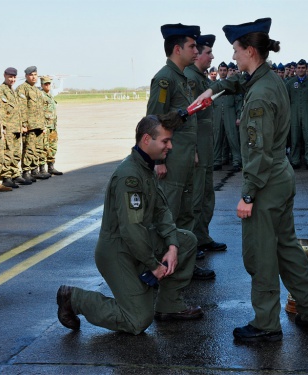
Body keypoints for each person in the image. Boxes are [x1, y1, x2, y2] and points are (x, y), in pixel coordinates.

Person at [193, 17, 308, 342]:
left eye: (237, 50)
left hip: (265, 182)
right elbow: (241, 81)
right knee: (286, 248)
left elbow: (258, 151)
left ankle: (266, 324)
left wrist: (248, 195)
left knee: (261, 255)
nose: (234, 57)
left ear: (250, 50)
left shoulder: (260, 97)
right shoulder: (266, 81)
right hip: (280, 176)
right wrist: (216, 89)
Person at [56, 112, 203, 334]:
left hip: (138, 243)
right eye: (165, 141)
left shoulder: (146, 167)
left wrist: (172, 246)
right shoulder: (129, 177)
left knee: (186, 241)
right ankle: (74, 299)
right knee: (137, 320)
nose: (170, 146)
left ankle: (169, 305)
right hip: (118, 251)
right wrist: (154, 266)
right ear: (146, 140)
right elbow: (131, 230)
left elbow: (162, 210)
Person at [146, 23, 214, 280]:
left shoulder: (183, 78)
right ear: (177, 49)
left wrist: (193, 151)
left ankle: (184, 265)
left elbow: (187, 122)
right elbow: (154, 121)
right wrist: (157, 161)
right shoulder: (165, 78)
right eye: (192, 46)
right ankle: (159, 266)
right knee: (168, 214)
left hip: (184, 158)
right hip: (170, 159)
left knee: (186, 212)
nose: (196, 51)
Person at [184, 35, 227, 255]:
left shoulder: (201, 79)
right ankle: (191, 242)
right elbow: (189, 117)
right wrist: (193, 149)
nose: (212, 56)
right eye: (208, 53)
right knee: (195, 196)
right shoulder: (190, 79)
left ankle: (202, 236)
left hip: (206, 145)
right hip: (197, 146)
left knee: (206, 193)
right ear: (197, 54)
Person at [0, 67, 30, 188]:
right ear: (4, 75)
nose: (12, 79)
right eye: (10, 77)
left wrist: (22, 125)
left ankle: (15, 174)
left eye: (14, 77)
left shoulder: (12, 91)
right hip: (8, 128)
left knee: (15, 152)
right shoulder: (1, 90)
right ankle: (6, 177)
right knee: (7, 152)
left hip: (16, 127)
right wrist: (2, 128)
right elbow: (0, 110)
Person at [16, 66, 50, 182]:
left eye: (35, 74)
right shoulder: (22, 89)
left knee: (38, 149)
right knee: (28, 149)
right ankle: (26, 172)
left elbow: (42, 109)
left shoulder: (37, 90)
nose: (33, 77)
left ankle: (34, 170)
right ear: (26, 76)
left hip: (39, 125)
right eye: (31, 75)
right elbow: (22, 108)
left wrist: (44, 124)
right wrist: (24, 124)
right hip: (30, 126)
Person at [286, 59, 308, 169]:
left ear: (306, 69)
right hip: (294, 114)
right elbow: (286, 100)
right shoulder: (290, 83)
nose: (301, 70)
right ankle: (295, 161)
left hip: (307, 113)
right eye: (299, 68)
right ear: (295, 69)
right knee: (294, 138)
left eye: (303, 68)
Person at [212, 61, 241, 172]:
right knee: (217, 138)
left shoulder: (232, 85)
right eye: (221, 70)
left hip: (230, 113)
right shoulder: (214, 85)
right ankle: (217, 161)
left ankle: (237, 161)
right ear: (218, 71)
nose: (223, 72)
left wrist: (238, 116)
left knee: (233, 138)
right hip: (217, 114)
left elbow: (238, 102)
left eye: (225, 70)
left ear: (228, 71)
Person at [41, 76, 63, 175]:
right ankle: (42, 168)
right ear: (42, 84)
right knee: (44, 147)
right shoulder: (41, 96)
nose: (48, 85)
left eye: (49, 83)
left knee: (53, 147)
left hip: (53, 127)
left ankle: (51, 166)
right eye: (46, 84)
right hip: (46, 127)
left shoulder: (49, 95)